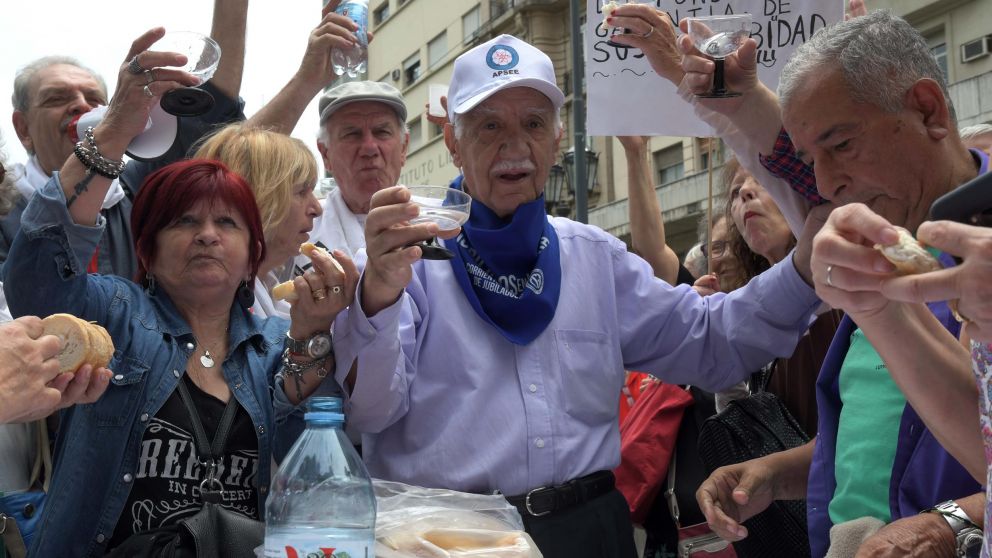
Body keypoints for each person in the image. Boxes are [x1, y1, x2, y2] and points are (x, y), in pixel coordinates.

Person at [331, 33, 822, 558]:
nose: (514, 145)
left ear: (558, 138)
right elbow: (371, 413)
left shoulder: (594, 257)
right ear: (453, 140)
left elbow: (711, 342)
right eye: (489, 125)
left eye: (534, 124)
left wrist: (804, 270)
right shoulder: (400, 262)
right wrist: (379, 296)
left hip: (589, 532)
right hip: (445, 538)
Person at [1, 28, 358, 555]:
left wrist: (312, 334)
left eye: (228, 223)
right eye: (184, 221)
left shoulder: (275, 342)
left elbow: (317, 465)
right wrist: (119, 126)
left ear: (252, 254)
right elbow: (37, 274)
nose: (207, 234)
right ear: (147, 248)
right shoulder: (116, 314)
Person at [678, 11, 984, 558]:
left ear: (927, 110)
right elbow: (881, 434)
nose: (823, 183)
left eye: (840, 145)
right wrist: (776, 473)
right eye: (808, 160)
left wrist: (952, 523)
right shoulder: (881, 241)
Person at [2, 0, 249, 279]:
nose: (81, 106)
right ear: (23, 128)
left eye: (95, 100)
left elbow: (212, 114)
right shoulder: (4, 206)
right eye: (57, 98)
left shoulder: (139, 188)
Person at [192, 124, 322, 318]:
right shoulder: (213, 312)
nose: (317, 209)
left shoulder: (268, 291)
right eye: (302, 191)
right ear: (256, 199)